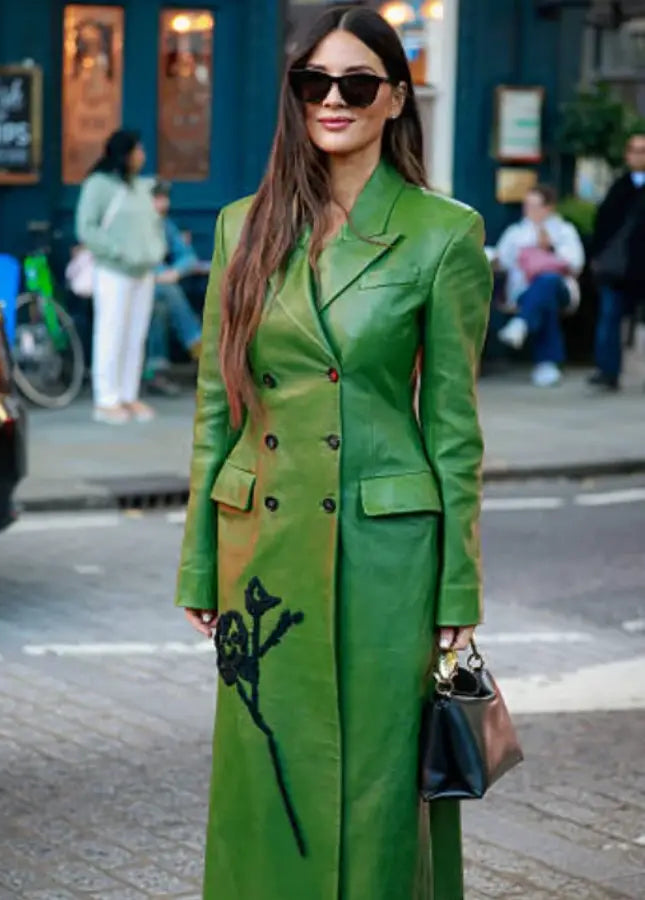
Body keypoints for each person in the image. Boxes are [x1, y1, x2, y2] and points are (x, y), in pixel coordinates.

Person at [175, 6, 492, 899]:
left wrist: (458, 587)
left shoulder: (442, 232)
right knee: (265, 778)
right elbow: (216, 407)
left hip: (384, 557)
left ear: (395, 97)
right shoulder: (242, 226)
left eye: (356, 83)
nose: (333, 100)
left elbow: (453, 428)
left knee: (375, 785)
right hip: (263, 551)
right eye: (314, 82)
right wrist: (198, 559)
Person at [75, 129, 166, 424]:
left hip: (143, 272)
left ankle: (129, 395)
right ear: (125, 154)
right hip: (113, 271)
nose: (142, 155)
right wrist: (116, 252)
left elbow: (153, 224)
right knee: (110, 333)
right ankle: (106, 399)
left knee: (135, 335)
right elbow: (86, 227)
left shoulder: (141, 186)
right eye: (137, 150)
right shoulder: (98, 185)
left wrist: (156, 251)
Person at [494, 184, 585, 387]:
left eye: (535, 206)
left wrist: (549, 249)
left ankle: (521, 323)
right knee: (545, 302)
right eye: (527, 205)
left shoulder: (564, 231)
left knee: (548, 280)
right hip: (523, 292)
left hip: (561, 290)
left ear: (548, 207)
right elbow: (502, 261)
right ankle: (547, 364)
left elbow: (576, 263)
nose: (530, 211)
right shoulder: (516, 232)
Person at [588, 130, 645, 391]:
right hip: (617, 268)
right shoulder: (618, 187)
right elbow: (603, 226)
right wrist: (597, 257)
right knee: (609, 316)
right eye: (634, 150)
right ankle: (607, 370)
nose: (638, 156)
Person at [142, 180, 203, 396]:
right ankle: (199, 347)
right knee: (170, 292)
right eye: (157, 198)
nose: (163, 203)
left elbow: (188, 256)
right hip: (132, 288)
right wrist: (157, 275)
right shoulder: (133, 225)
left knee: (160, 307)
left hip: (155, 290)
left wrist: (174, 272)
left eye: (165, 198)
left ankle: (155, 373)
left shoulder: (164, 225)